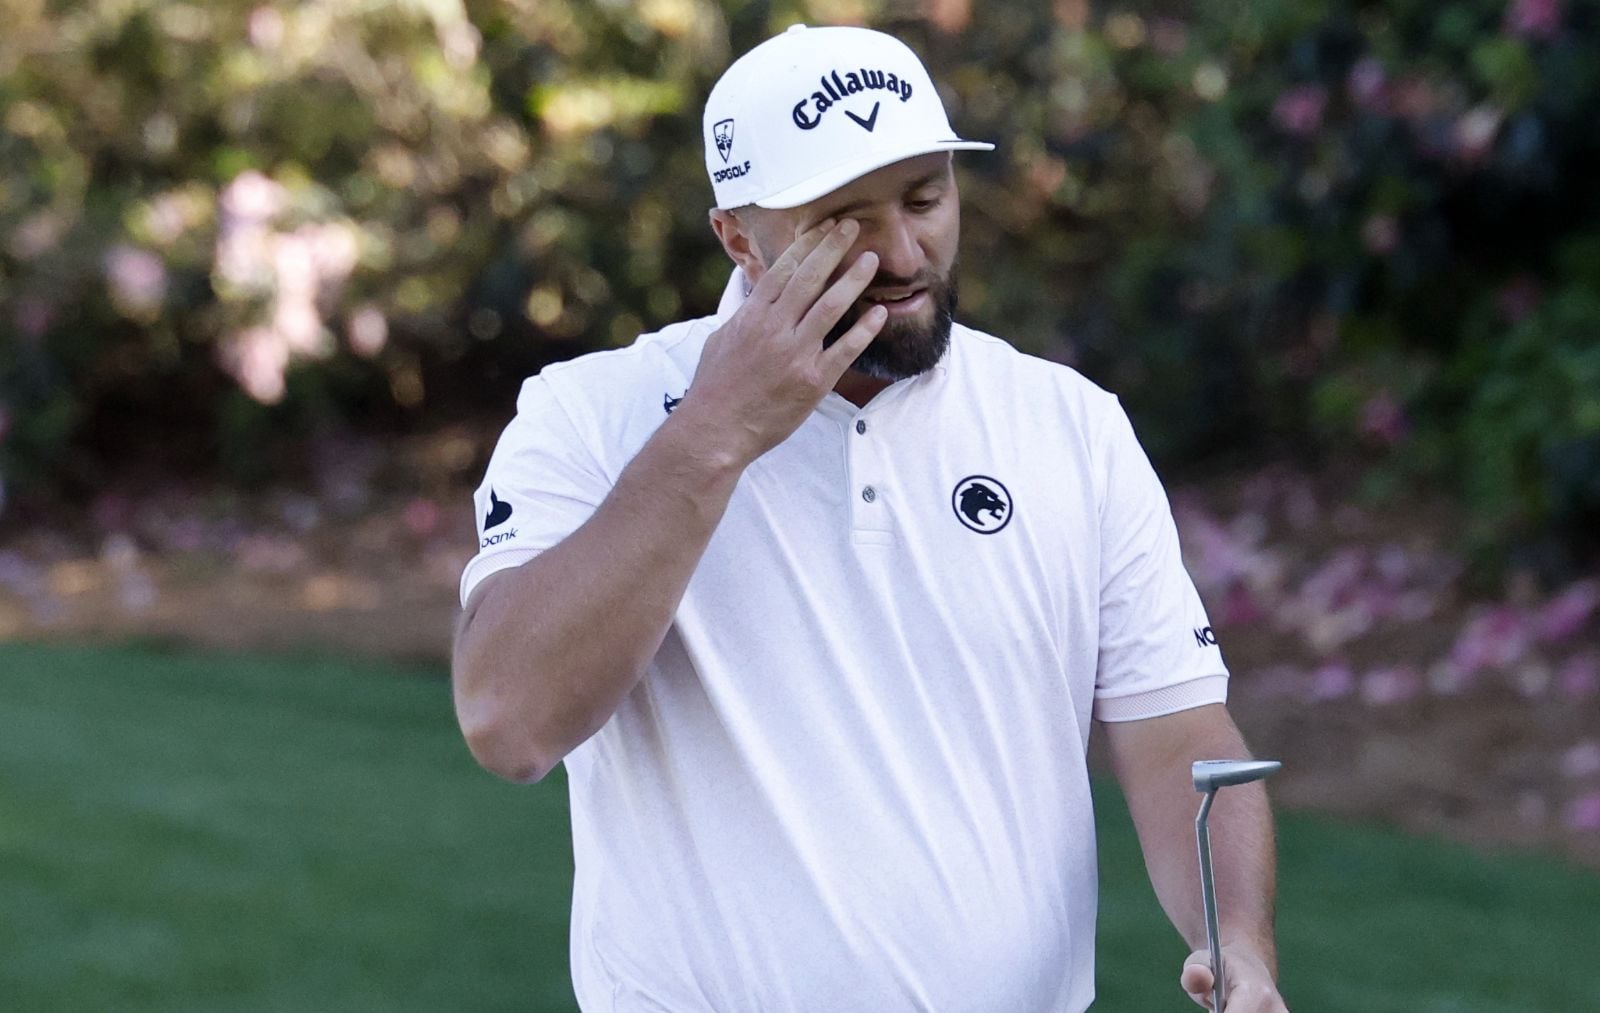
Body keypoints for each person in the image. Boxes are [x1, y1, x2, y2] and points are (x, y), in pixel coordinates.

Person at [452, 23, 1288, 1013]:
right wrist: (717, 431)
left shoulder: (1070, 426)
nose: (902, 250)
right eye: (844, 220)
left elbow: (1179, 730)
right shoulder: (592, 414)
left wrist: (1237, 938)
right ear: (738, 236)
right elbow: (509, 719)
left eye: (926, 197)